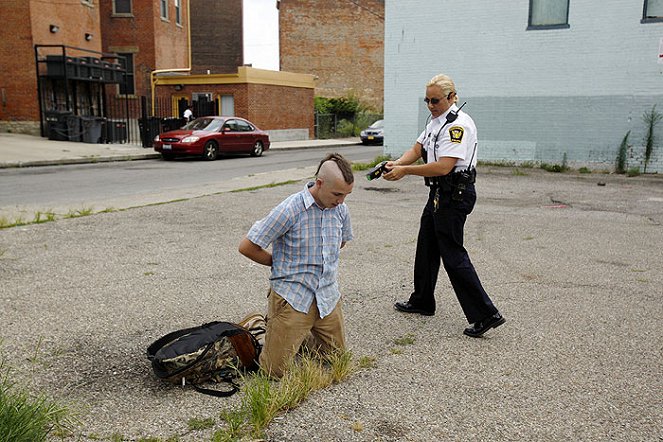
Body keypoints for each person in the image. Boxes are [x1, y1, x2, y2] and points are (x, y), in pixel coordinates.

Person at [382, 73, 505, 338]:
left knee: (452, 254)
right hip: (439, 192)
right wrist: (397, 162)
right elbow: (417, 148)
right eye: (427, 100)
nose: (430, 105)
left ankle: (486, 314)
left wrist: (405, 171)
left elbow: (444, 166)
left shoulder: (458, 125)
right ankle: (422, 300)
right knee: (426, 246)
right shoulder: (436, 122)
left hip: (454, 194)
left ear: (451, 97)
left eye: (435, 100)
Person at [238, 153, 354, 377]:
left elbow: (341, 242)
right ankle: (261, 327)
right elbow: (247, 246)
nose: (341, 201)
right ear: (319, 184)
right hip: (293, 298)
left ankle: (300, 335)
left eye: (347, 194)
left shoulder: (340, 209)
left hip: (327, 298)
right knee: (273, 372)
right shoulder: (290, 209)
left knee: (337, 360)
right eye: (337, 194)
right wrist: (279, 263)